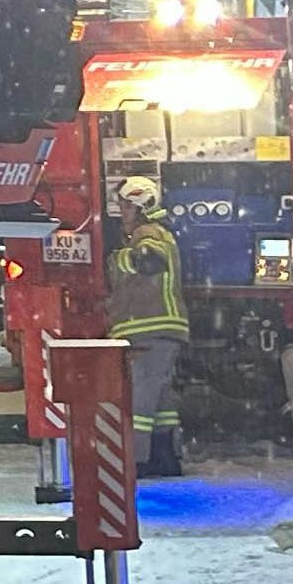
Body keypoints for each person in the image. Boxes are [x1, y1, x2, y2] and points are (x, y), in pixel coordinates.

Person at [105, 173, 188, 476]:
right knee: (161, 400)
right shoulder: (155, 233)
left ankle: (135, 462)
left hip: (148, 329)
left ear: (142, 206)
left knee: (139, 400)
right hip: (161, 331)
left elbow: (149, 261)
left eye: (126, 206)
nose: (122, 213)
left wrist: (119, 260)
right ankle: (166, 457)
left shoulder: (149, 233)